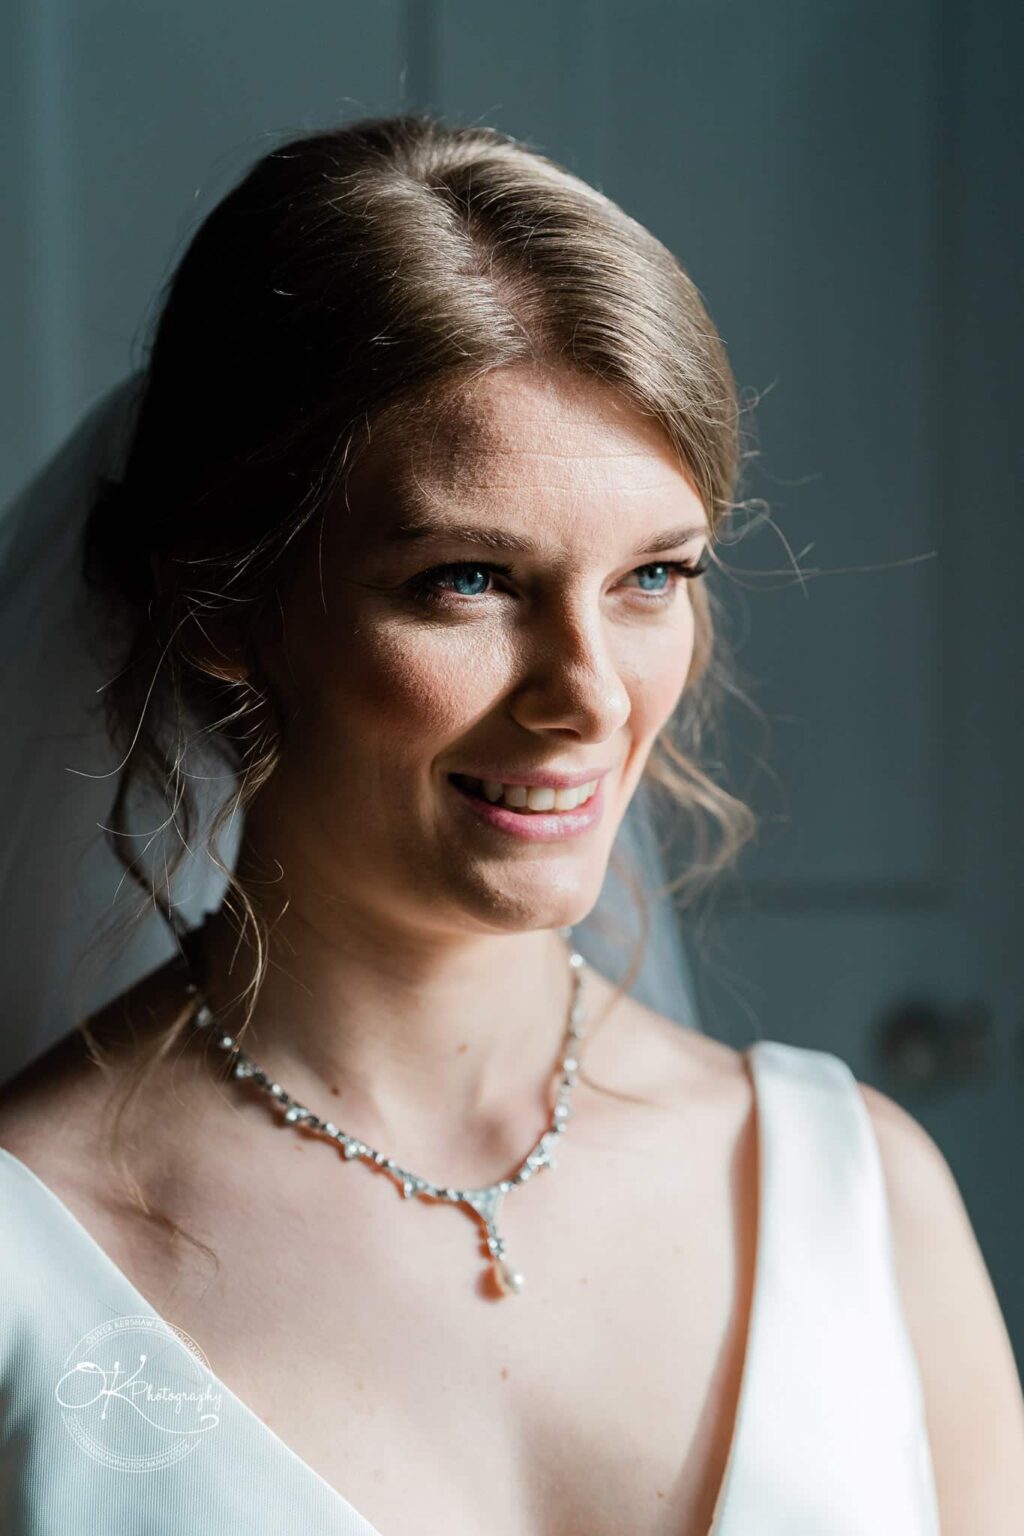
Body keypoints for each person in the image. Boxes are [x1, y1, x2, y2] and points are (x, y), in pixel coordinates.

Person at [0, 113, 1020, 1536]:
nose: (590, 697)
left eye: (653, 576)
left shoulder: (864, 1204)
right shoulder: (27, 1263)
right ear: (224, 604)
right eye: (469, 580)